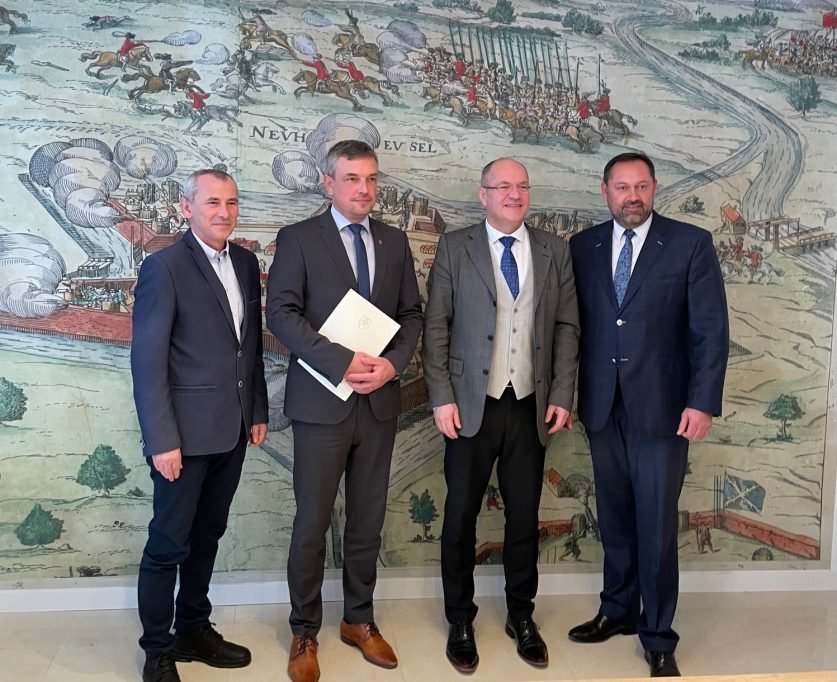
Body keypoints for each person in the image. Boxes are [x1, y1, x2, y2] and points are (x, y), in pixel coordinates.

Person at [266, 140, 423, 682]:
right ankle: (304, 630)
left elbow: (412, 315)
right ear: (328, 183)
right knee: (312, 522)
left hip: (378, 403)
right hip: (320, 404)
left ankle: (359, 619)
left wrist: (393, 366)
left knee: (367, 521)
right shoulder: (298, 238)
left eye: (372, 179)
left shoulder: (394, 241)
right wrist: (341, 361)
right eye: (353, 178)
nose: (364, 189)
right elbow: (281, 313)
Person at [567, 152, 729, 678]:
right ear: (605, 191)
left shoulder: (689, 243)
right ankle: (617, 610)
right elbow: (573, 328)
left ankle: (658, 635)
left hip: (664, 410)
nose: (631, 196)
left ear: (654, 188)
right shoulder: (583, 247)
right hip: (601, 406)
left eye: (641, 186)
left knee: (656, 524)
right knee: (613, 516)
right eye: (622, 187)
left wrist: (702, 402)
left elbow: (710, 331)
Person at [422, 157, 580, 673]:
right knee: (460, 517)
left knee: (524, 518)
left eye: (522, 186)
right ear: (483, 194)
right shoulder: (455, 247)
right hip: (470, 405)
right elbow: (437, 325)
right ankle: (460, 619)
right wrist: (441, 396)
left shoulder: (555, 250)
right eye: (503, 186)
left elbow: (566, 327)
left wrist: (562, 393)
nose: (514, 194)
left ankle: (521, 615)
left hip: (530, 405)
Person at [131, 169, 269, 682]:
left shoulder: (247, 263)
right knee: (168, 543)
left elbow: (248, 346)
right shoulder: (163, 267)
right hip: (182, 440)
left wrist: (257, 409)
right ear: (186, 208)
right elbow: (147, 363)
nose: (224, 212)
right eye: (212, 202)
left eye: (231, 202)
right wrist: (161, 440)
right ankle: (157, 650)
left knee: (208, 535)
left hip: (232, 431)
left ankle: (192, 628)